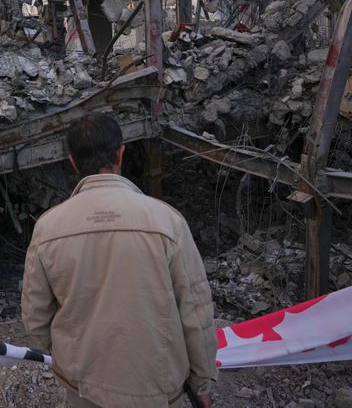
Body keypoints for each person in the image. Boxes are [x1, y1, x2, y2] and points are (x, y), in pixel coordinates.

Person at [21, 113, 217, 408]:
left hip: (83, 387)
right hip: (158, 388)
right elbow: (196, 312)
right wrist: (201, 381)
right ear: (121, 154)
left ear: (73, 162)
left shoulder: (48, 228)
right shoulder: (167, 222)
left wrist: (71, 352)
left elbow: (35, 318)